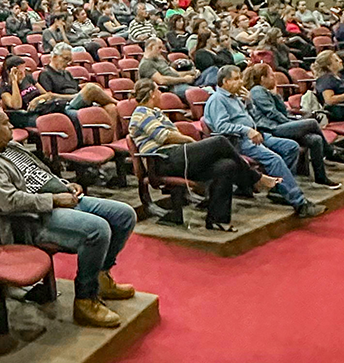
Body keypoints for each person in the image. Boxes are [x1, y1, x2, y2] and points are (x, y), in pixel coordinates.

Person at [0, 107, 136, 328]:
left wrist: (66, 185)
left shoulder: (11, 147)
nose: (11, 127)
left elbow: (43, 174)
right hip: (33, 219)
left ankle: (101, 275)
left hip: (58, 199)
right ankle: (85, 299)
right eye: (6, 123)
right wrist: (55, 200)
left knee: (124, 215)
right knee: (97, 229)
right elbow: (9, 202)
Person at [129, 80, 275, 230]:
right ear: (152, 94)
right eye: (158, 91)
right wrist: (187, 139)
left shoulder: (156, 113)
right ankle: (254, 178)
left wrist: (179, 137)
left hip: (177, 156)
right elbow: (165, 136)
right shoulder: (141, 113)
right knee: (219, 141)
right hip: (163, 160)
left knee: (226, 165)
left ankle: (217, 219)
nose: (161, 94)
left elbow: (172, 134)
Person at [204, 66, 325, 217]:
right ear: (225, 82)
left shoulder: (235, 98)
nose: (241, 82)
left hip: (255, 136)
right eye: (236, 79)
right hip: (236, 142)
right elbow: (221, 126)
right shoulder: (217, 100)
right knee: (274, 159)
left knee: (291, 147)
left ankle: (279, 190)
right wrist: (247, 130)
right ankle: (299, 203)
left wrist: (248, 103)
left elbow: (251, 117)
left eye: (240, 78)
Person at [242, 65, 341, 188]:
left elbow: (282, 110)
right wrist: (289, 122)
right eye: (271, 75)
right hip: (271, 128)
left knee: (316, 139)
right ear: (262, 78)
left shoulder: (266, 91)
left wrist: (275, 94)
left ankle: (320, 177)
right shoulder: (257, 90)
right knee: (312, 123)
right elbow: (271, 113)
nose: (274, 78)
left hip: (279, 125)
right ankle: (330, 152)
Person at [36, 43, 119, 128]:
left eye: (69, 60)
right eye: (65, 59)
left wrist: (80, 93)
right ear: (55, 57)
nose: (67, 63)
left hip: (77, 99)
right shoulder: (45, 74)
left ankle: (112, 138)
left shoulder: (66, 73)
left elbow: (76, 89)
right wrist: (74, 96)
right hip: (65, 105)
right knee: (90, 88)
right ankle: (119, 103)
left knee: (111, 108)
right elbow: (49, 98)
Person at [137, 37, 195, 103]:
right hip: (170, 89)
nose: (161, 50)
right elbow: (161, 80)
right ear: (151, 47)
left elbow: (175, 73)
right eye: (159, 48)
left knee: (208, 74)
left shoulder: (160, 59)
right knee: (201, 92)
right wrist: (184, 79)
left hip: (179, 84)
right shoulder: (146, 64)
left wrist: (191, 73)